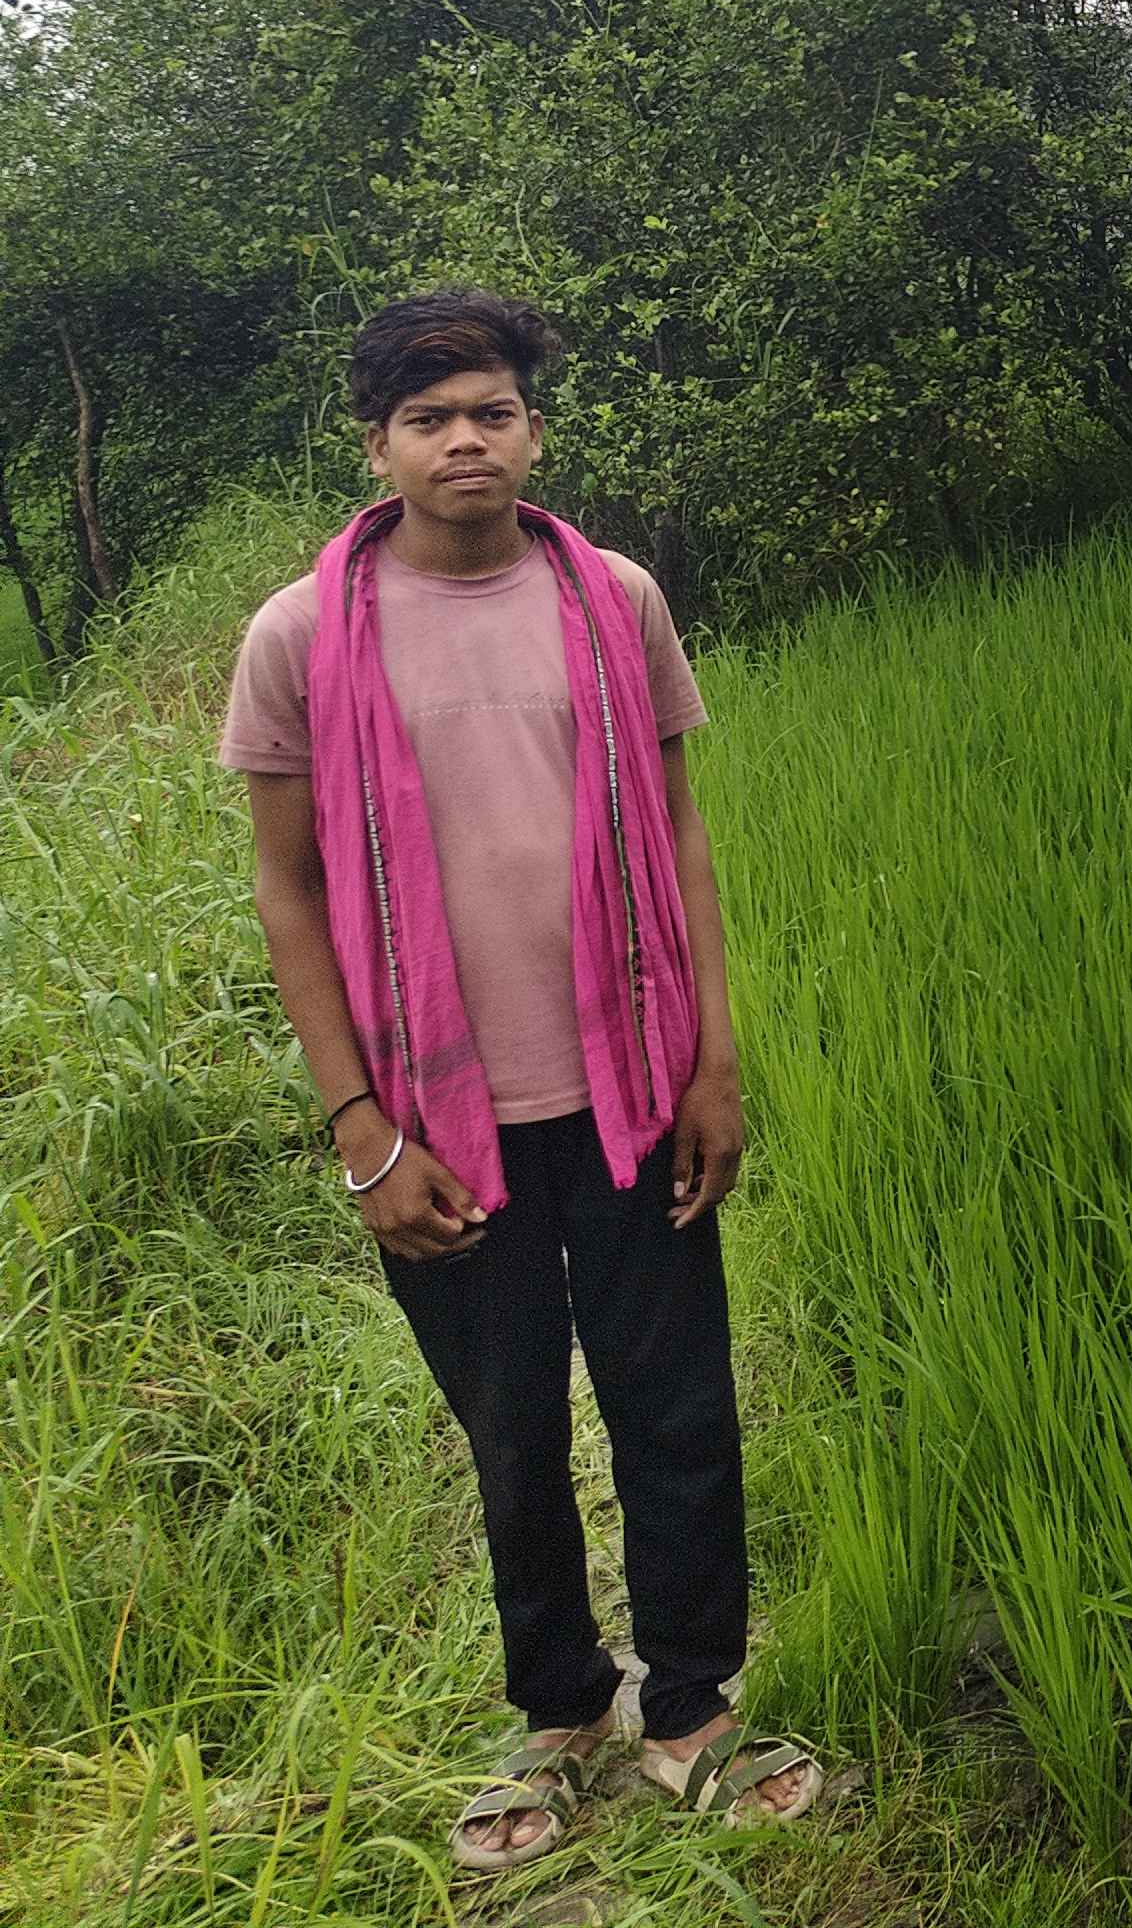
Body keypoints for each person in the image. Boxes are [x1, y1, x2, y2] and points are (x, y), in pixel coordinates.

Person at [222, 290, 826, 1875]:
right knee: (507, 1425)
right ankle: (559, 1710)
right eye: (428, 419)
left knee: (676, 1406)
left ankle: (689, 1710)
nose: (464, 441)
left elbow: (679, 830)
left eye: (491, 411)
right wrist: (362, 1130)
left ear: (534, 431)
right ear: (377, 448)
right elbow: (288, 890)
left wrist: (713, 1056)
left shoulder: (612, 598)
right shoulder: (303, 636)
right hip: (439, 1121)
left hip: (629, 1090)